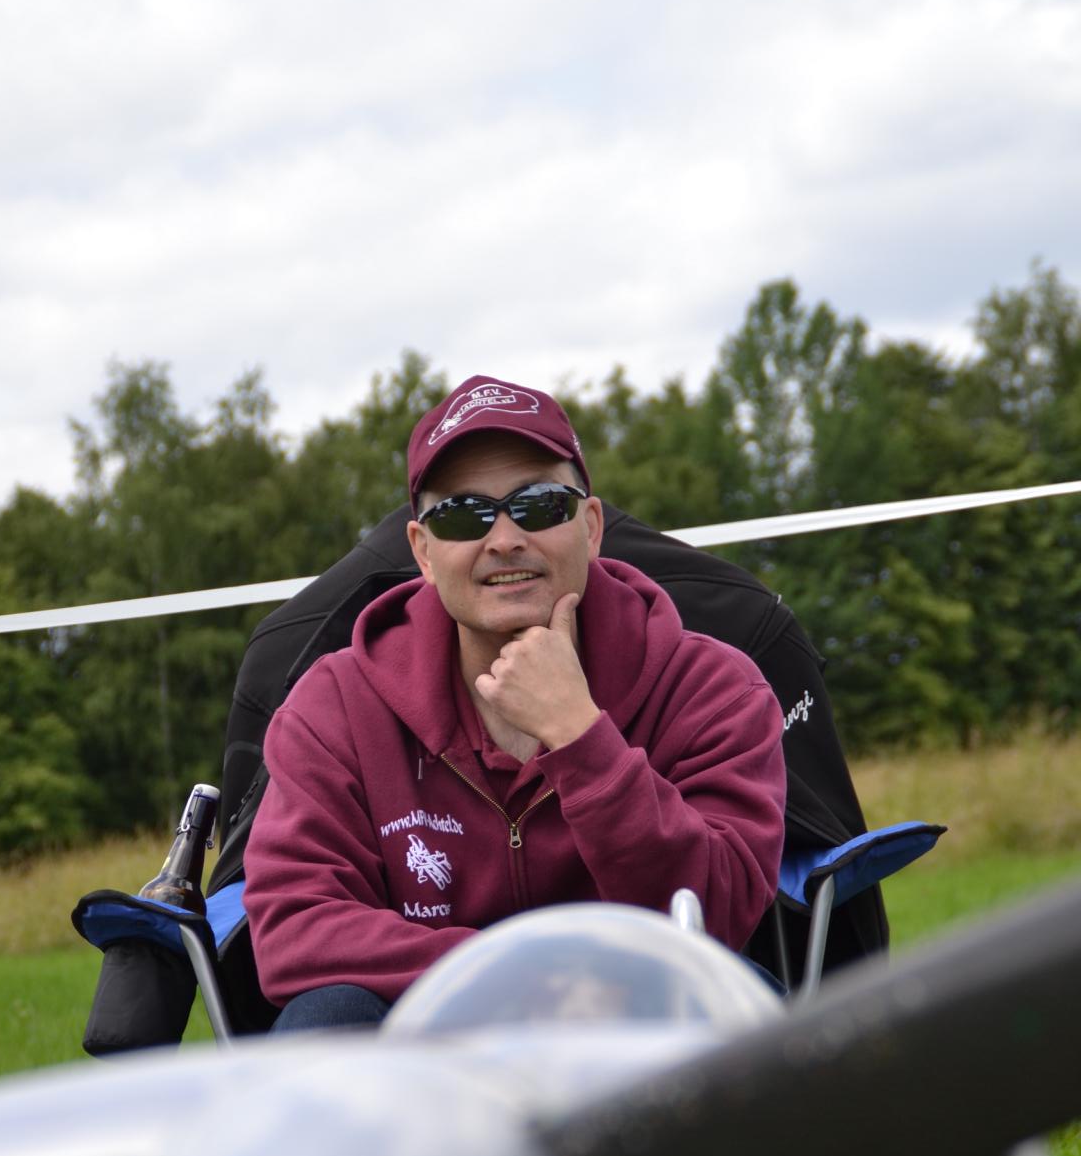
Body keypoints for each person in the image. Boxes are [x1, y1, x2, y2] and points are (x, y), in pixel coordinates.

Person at [242, 374, 787, 1030]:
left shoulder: (711, 687)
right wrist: (520, 982)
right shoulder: (334, 706)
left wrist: (582, 738)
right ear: (423, 551)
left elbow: (715, 917)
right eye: (463, 515)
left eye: (539, 504)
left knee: (746, 1015)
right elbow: (296, 928)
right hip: (432, 1051)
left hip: (643, 1035)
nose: (504, 539)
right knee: (327, 1018)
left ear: (591, 527)